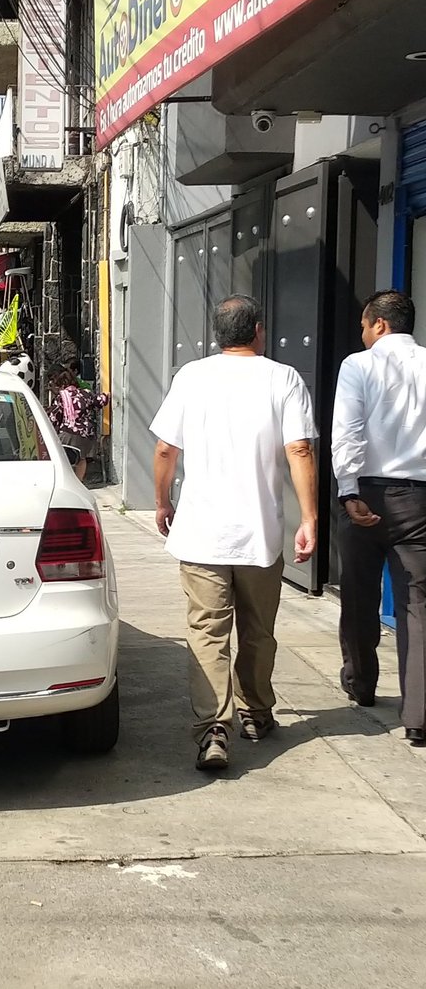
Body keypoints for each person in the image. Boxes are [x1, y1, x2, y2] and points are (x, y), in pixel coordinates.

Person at [151, 294, 318, 772]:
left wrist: (163, 502)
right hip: (260, 534)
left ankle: (212, 731)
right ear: (259, 331)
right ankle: (256, 714)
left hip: (202, 532)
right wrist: (309, 518)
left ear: (217, 336)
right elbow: (300, 450)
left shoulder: (192, 376)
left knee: (207, 631)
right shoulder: (282, 378)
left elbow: (166, 449)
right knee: (258, 631)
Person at [331, 289, 426, 746]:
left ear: (380, 324)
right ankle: (419, 715)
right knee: (418, 604)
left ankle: (362, 684)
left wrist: (347, 491)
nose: (363, 335)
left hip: (367, 492)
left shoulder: (358, 366)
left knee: (358, 592)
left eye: (365, 326)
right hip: (420, 500)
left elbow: (346, 431)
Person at [46, 367, 107, 482]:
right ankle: (79, 482)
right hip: (87, 436)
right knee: (81, 459)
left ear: (60, 384)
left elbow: (54, 417)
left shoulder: (61, 396)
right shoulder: (86, 393)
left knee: (63, 460)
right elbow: (100, 400)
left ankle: (66, 482)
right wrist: (106, 395)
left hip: (69, 434)